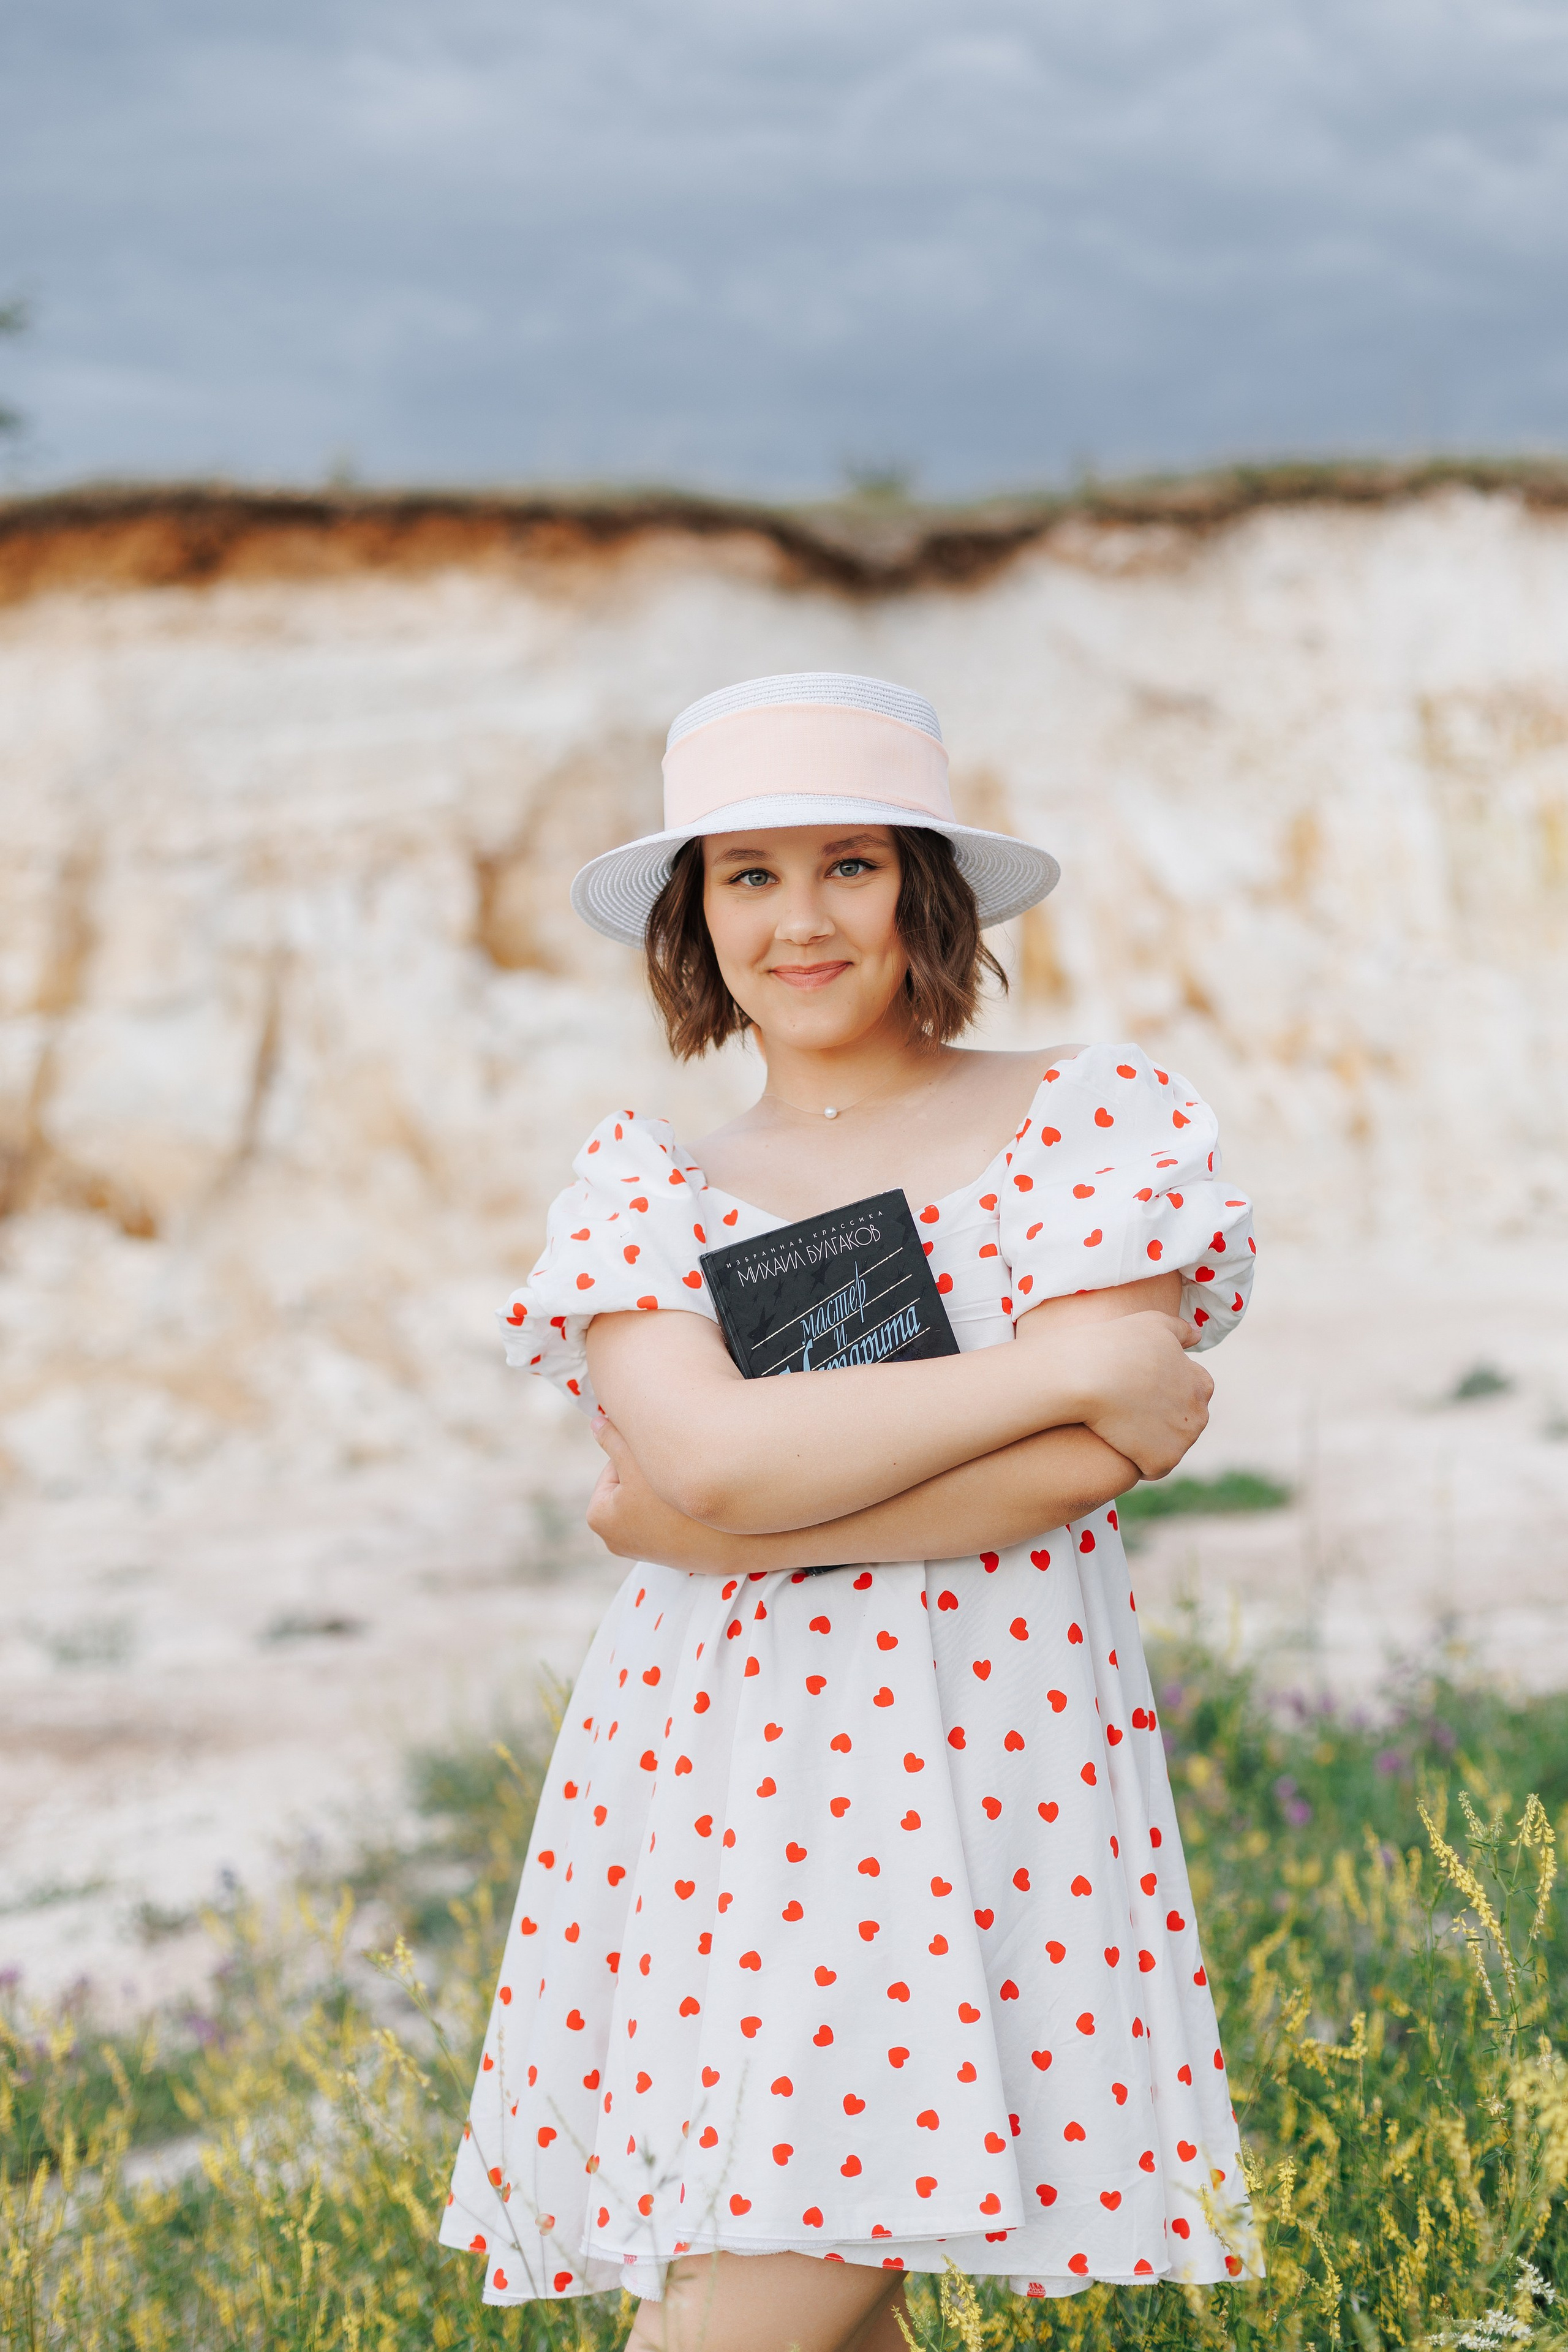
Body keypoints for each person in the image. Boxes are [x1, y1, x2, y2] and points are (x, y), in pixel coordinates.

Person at [440, 673, 1260, 2350]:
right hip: (716, 1776)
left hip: (984, 1756)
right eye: (748, 875)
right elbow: (710, 1462)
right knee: (798, 2302)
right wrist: (1056, 1369)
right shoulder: (647, 1183)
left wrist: (724, 1531)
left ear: (924, 890)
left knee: (744, 2311)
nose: (799, 921)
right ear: (695, 915)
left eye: (851, 867)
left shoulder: (1089, 1117)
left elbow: (1078, 1471)